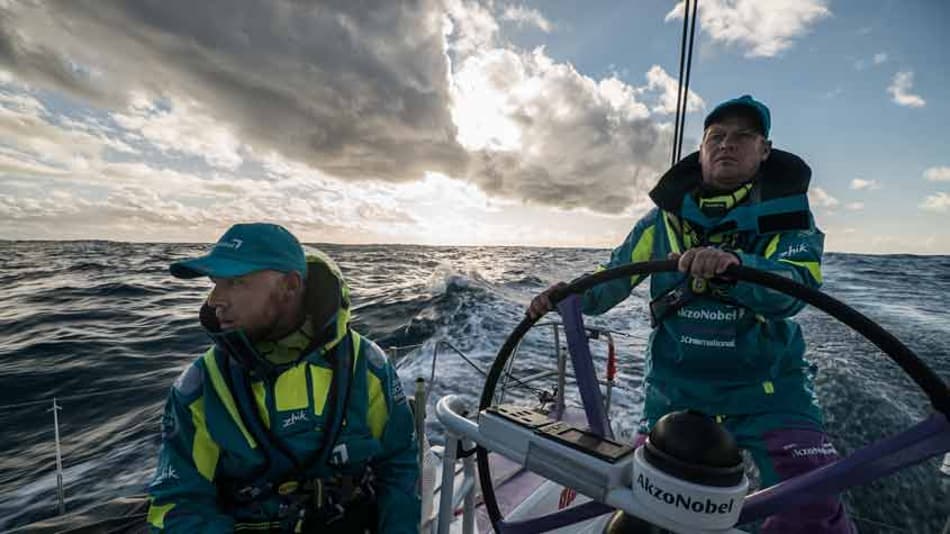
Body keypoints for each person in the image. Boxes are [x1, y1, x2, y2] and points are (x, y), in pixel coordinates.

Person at [528, 96, 853, 533]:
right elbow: (612, 279)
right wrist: (571, 296)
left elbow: (794, 288)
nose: (727, 145)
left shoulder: (790, 218)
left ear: (765, 150)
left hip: (770, 392)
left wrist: (733, 267)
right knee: (642, 509)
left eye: (743, 137)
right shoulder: (659, 223)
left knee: (810, 507)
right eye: (716, 137)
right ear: (700, 151)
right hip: (675, 391)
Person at [146, 223, 420, 533]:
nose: (214, 300)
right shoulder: (200, 388)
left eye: (235, 282)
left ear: (290, 286)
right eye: (215, 283)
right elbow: (179, 502)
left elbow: (399, 467)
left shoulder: (367, 367)